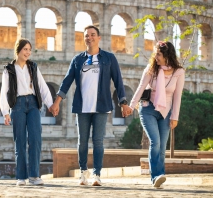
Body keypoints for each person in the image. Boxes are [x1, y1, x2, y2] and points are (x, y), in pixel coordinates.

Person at [49, 25, 132, 186]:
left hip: (101, 106)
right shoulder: (78, 59)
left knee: (98, 141)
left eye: (93, 35)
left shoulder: (109, 58)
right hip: (82, 106)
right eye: (87, 35)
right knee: (82, 141)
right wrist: (57, 102)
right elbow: (67, 81)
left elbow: (118, 81)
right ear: (84, 38)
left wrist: (123, 102)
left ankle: (97, 174)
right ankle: (83, 172)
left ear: (99, 38)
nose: (90, 37)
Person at [128, 41, 185, 187]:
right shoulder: (151, 69)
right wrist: (131, 105)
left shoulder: (179, 72)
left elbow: (177, 96)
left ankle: (160, 175)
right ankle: (156, 176)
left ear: (167, 55)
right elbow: (141, 87)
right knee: (155, 142)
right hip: (148, 109)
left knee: (162, 146)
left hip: (166, 112)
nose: (156, 57)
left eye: (158, 54)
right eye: (156, 54)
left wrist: (175, 117)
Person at [0, 38, 53, 186]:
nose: (28, 52)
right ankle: (21, 177)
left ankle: (35, 176)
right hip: (17, 105)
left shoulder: (33, 67)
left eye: (29, 50)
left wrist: (50, 104)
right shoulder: (8, 69)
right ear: (18, 50)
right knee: (20, 141)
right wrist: (5, 112)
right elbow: (4, 91)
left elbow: (42, 87)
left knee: (35, 139)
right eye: (25, 49)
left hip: (33, 104)